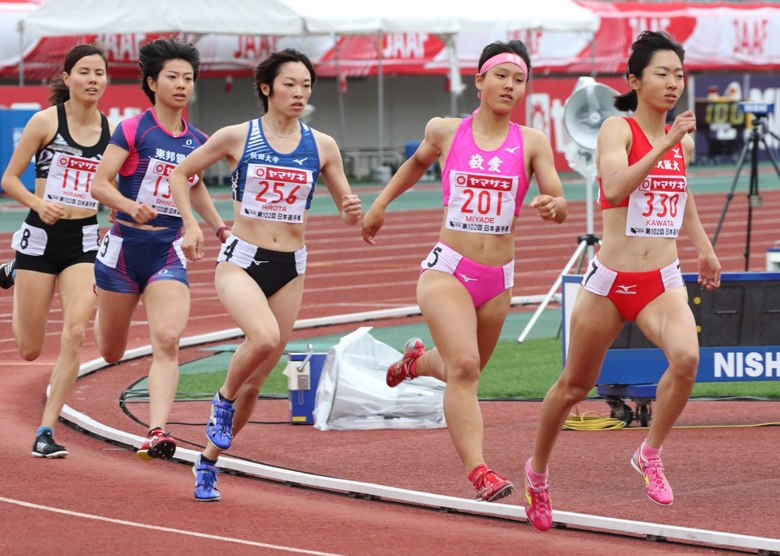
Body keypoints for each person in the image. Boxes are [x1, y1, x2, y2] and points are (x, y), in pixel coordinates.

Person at [523, 30, 721, 532]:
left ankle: (649, 452)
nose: (674, 83)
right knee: (573, 387)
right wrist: (666, 143)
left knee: (687, 358)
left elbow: (682, 196)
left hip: (662, 278)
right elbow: (614, 186)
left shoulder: (683, 141)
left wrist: (704, 246)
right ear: (635, 80)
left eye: (679, 73)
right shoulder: (618, 129)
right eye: (663, 73)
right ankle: (537, 474)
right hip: (610, 283)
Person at [361, 40, 567, 503]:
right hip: (447, 271)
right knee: (467, 367)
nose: (510, 86)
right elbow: (415, 164)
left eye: (519, 80)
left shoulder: (531, 141)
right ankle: (480, 473)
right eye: (501, 76)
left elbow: (558, 198)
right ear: (479, 81)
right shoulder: (446, 130)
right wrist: (379, 204)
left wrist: (554, 206)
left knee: (462, 370)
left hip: (498, 280)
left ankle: (414, 362)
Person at [168, 48, 361, 501]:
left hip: (290, 267)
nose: (299, 92)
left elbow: (347, 210)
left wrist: (353, 211)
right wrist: (193, 224)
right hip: (241, 259)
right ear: (266, 87)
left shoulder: (323, 145)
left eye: (306, 85)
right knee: (265, 338)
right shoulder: (238, 136)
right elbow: (182, 174)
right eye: (290, 84)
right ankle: (221, 398)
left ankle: (208, 462)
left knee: (257, 381)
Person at [91, 37, 228, 462]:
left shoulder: (198, 140)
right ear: (152, 82)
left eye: (188, 78)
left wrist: (220, 227)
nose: (182, 85)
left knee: (167, 339)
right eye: (173, 77)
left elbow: (196, 185)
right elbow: (99, 184)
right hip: (122, 251)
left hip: (167, 251)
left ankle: (156, 431)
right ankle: (102, 299)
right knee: (111, 352)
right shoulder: (133, 129)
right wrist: (131, 206)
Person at [0, 44, 112, 457]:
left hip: (83, 241)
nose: (93, 79)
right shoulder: (45, 122)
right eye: (84, 72)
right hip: (41, 239)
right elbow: (10, 179)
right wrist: (37, 202)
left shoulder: (110, 131)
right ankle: (14, 270)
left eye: (99, 72)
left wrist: (118, 207)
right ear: (67, 78)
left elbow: (112, 185)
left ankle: (45, 430)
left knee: (76, 333)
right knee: (29, 349)